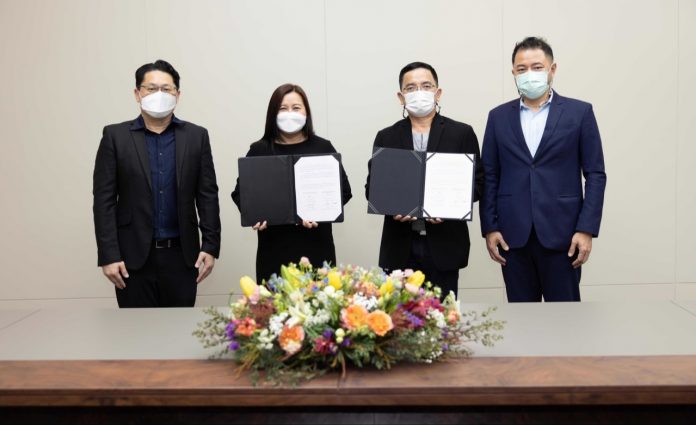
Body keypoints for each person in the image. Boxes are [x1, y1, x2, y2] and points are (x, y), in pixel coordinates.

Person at [479, 37, 607, 302]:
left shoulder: (579, 113)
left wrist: (586, 229)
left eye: (537, 67)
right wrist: (490, 227)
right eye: (522, 69)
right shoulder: (498, 117)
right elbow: (490, 175)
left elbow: (595, 174)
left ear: (552, 69)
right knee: (521, 318)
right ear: (514, 73)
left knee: (565, 318)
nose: (529, 74)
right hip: (512, 236)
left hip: (564, 235)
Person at [93, 59, 221, 308]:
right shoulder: (115, 137)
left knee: (180, 329)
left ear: (178, 95)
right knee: (135, 330)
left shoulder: (196, 136)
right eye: (151, 89)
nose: (159, 94)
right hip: (131, 259)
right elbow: (104, 201)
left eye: (166, 89)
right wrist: (108, 255)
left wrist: (211, 246)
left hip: (183, 257)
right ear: (137, 93)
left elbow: (207, 195)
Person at [365, 62, 484, 298]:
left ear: (437, 93)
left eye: (426, 86)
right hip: (399, 247)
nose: (419, 92)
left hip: (445, 246)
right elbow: (373, 189)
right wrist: (393, 207)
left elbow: (478, 184)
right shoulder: (387, 136)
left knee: (443, 314)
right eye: (411, 88)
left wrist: (449, 207)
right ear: (401, 97)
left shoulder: (461, 133)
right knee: (400, 316)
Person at [232, 84, 352, 282]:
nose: (290, 113)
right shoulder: (259, 150)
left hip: (316, 247)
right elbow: (240, 193)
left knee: (319, 299)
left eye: (296, 108)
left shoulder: (323, 147)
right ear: (273, 114)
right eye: (283, 108)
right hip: (273, 249)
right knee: (273, 300)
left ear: (306, 112)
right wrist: (254, 215)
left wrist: (321, 212)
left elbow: (344, 191)